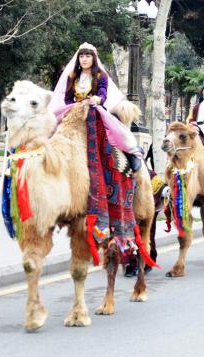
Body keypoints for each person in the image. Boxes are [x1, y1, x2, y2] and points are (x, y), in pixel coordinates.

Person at [49, 42, 143, 253]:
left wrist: (97, 99)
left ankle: (128, 162)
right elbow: (66, 98)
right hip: (74, 115)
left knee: (110, 146)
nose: (84, 59)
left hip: (94, 115)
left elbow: (103, 94)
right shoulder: (73, 78)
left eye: (87, 56)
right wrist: (75, 105)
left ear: (93, 58)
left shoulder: (101, 77)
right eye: (81, 56)